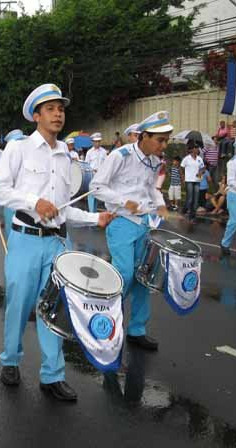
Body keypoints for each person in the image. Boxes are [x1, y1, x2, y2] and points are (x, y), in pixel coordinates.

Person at [0, 84, 113, 401]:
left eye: (61, 109)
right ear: (36, 116)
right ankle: (10, 361)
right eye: (50, 109)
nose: (58, 114)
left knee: (54, 309)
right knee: (19, 305)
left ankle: (52, 375)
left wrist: (95, 218)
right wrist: (34, 202)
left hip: (57, 242)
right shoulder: (18, 149)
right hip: (25, 240)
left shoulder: (66, 156)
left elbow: (63, 208)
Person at [91, 110, 173, 352]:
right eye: (160, 140)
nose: (164, 146)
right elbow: (96, 186)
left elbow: (151, 188)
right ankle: (107, 321)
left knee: (143, 278)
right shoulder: (121, 156)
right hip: (122, 223)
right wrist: (123, 201)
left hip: (143, 224)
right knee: (124, 274)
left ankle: (137, 330)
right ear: (144, 136)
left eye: (166, 141)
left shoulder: (154, 161)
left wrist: (160, 204)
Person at [181, 141, 205, 223]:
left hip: (197, 181)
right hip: (189, 181)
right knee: (190, 199)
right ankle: (184, 209)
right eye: (195, 148)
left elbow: (203, 168)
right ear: (191, 149)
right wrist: (183, 178)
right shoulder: (186, 158)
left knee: (195, 200)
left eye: (197, 148)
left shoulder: (199, 159)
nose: (197, 149)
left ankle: (192, 217)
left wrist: (201, 172)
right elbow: (181, 168)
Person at [85, 132, 108, 212]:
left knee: (102, 194)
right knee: (91, 194)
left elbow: (107, 163)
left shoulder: (104, 152)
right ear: (92, 142)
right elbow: (86, 165)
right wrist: (92, 170)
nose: (97, 143)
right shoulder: (89, 152)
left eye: (99, 141)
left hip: (101, 176)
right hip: (92, 176)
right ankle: (92, 212)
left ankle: (105, 212)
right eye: (96, 141)